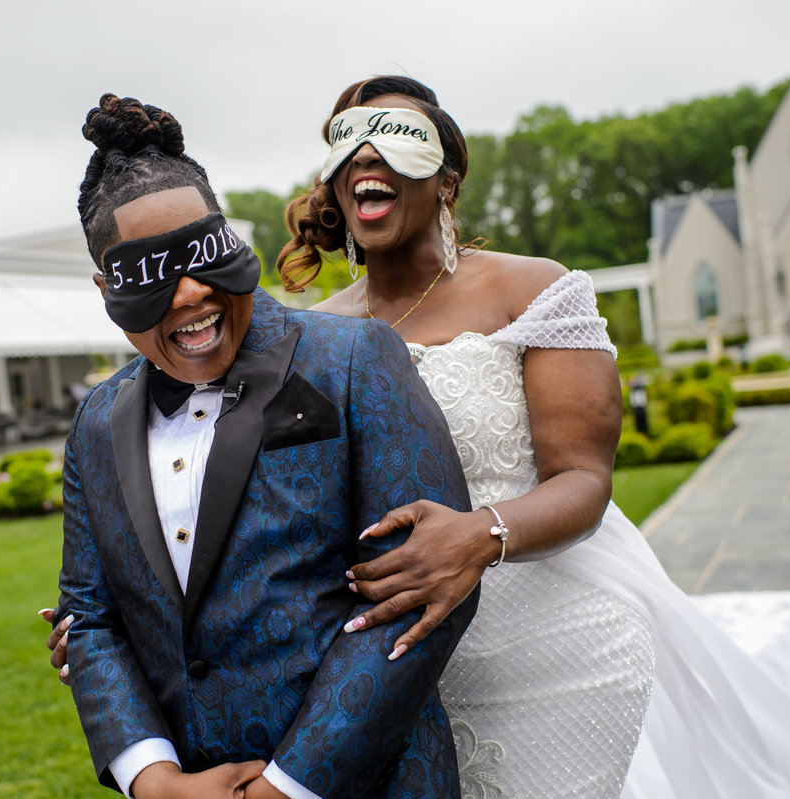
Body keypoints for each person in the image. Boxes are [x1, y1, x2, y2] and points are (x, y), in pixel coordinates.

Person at [48, 78, 790, 798]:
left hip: (540, 621)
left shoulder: (526, 292)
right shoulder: (292, 336)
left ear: (447, 179)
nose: (370, 163)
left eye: (399, 144)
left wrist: (481, 533)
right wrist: (128, 619)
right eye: (352, 148)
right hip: (378, 655)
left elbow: (584, 474)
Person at [52, 93, 478, 799]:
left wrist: (290, 785)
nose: (189, 294)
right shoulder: (96, 423)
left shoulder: (354, 360)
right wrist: (153, 779)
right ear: (105, 289)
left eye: (203, 254)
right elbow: (91, 620)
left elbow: (423, 589)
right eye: (150, 275)